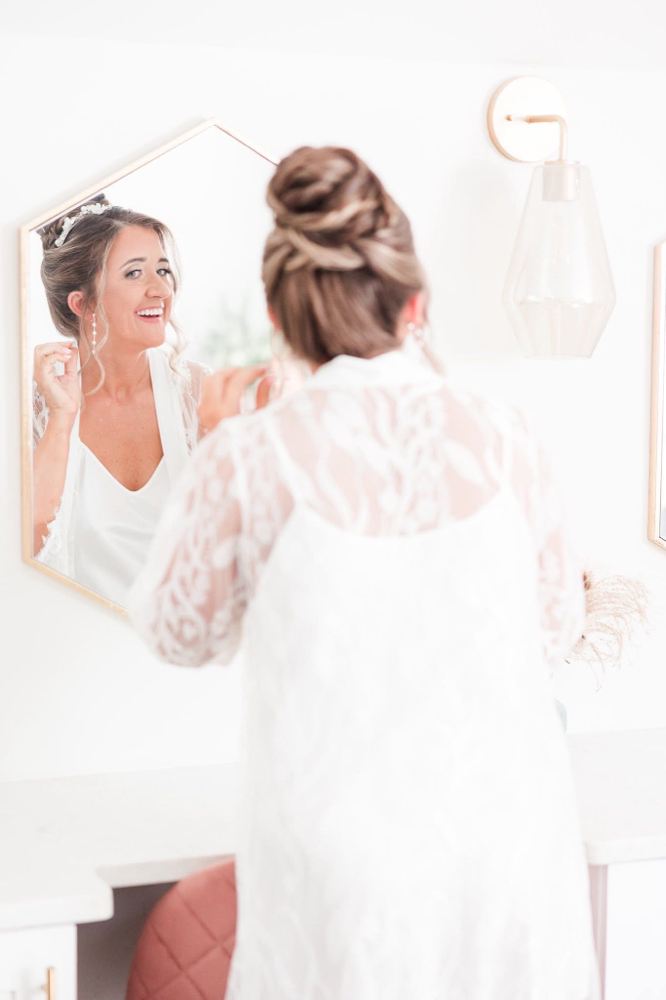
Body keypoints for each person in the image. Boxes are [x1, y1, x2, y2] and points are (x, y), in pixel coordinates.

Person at [129, 147, 600, 999]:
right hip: (504, 850)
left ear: (277, 314)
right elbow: (557, 626)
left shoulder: (251, 454)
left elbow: (179, 634)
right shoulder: (506, 435)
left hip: (341, 869)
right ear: (416, 305)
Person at [32, 195, 266, 607]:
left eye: (163, 270)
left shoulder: (196, 393)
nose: (160, 289)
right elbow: (26, 550)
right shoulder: (35, 409)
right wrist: (61, 417)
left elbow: (243, 545)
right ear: (82, 303)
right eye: (134, 273)